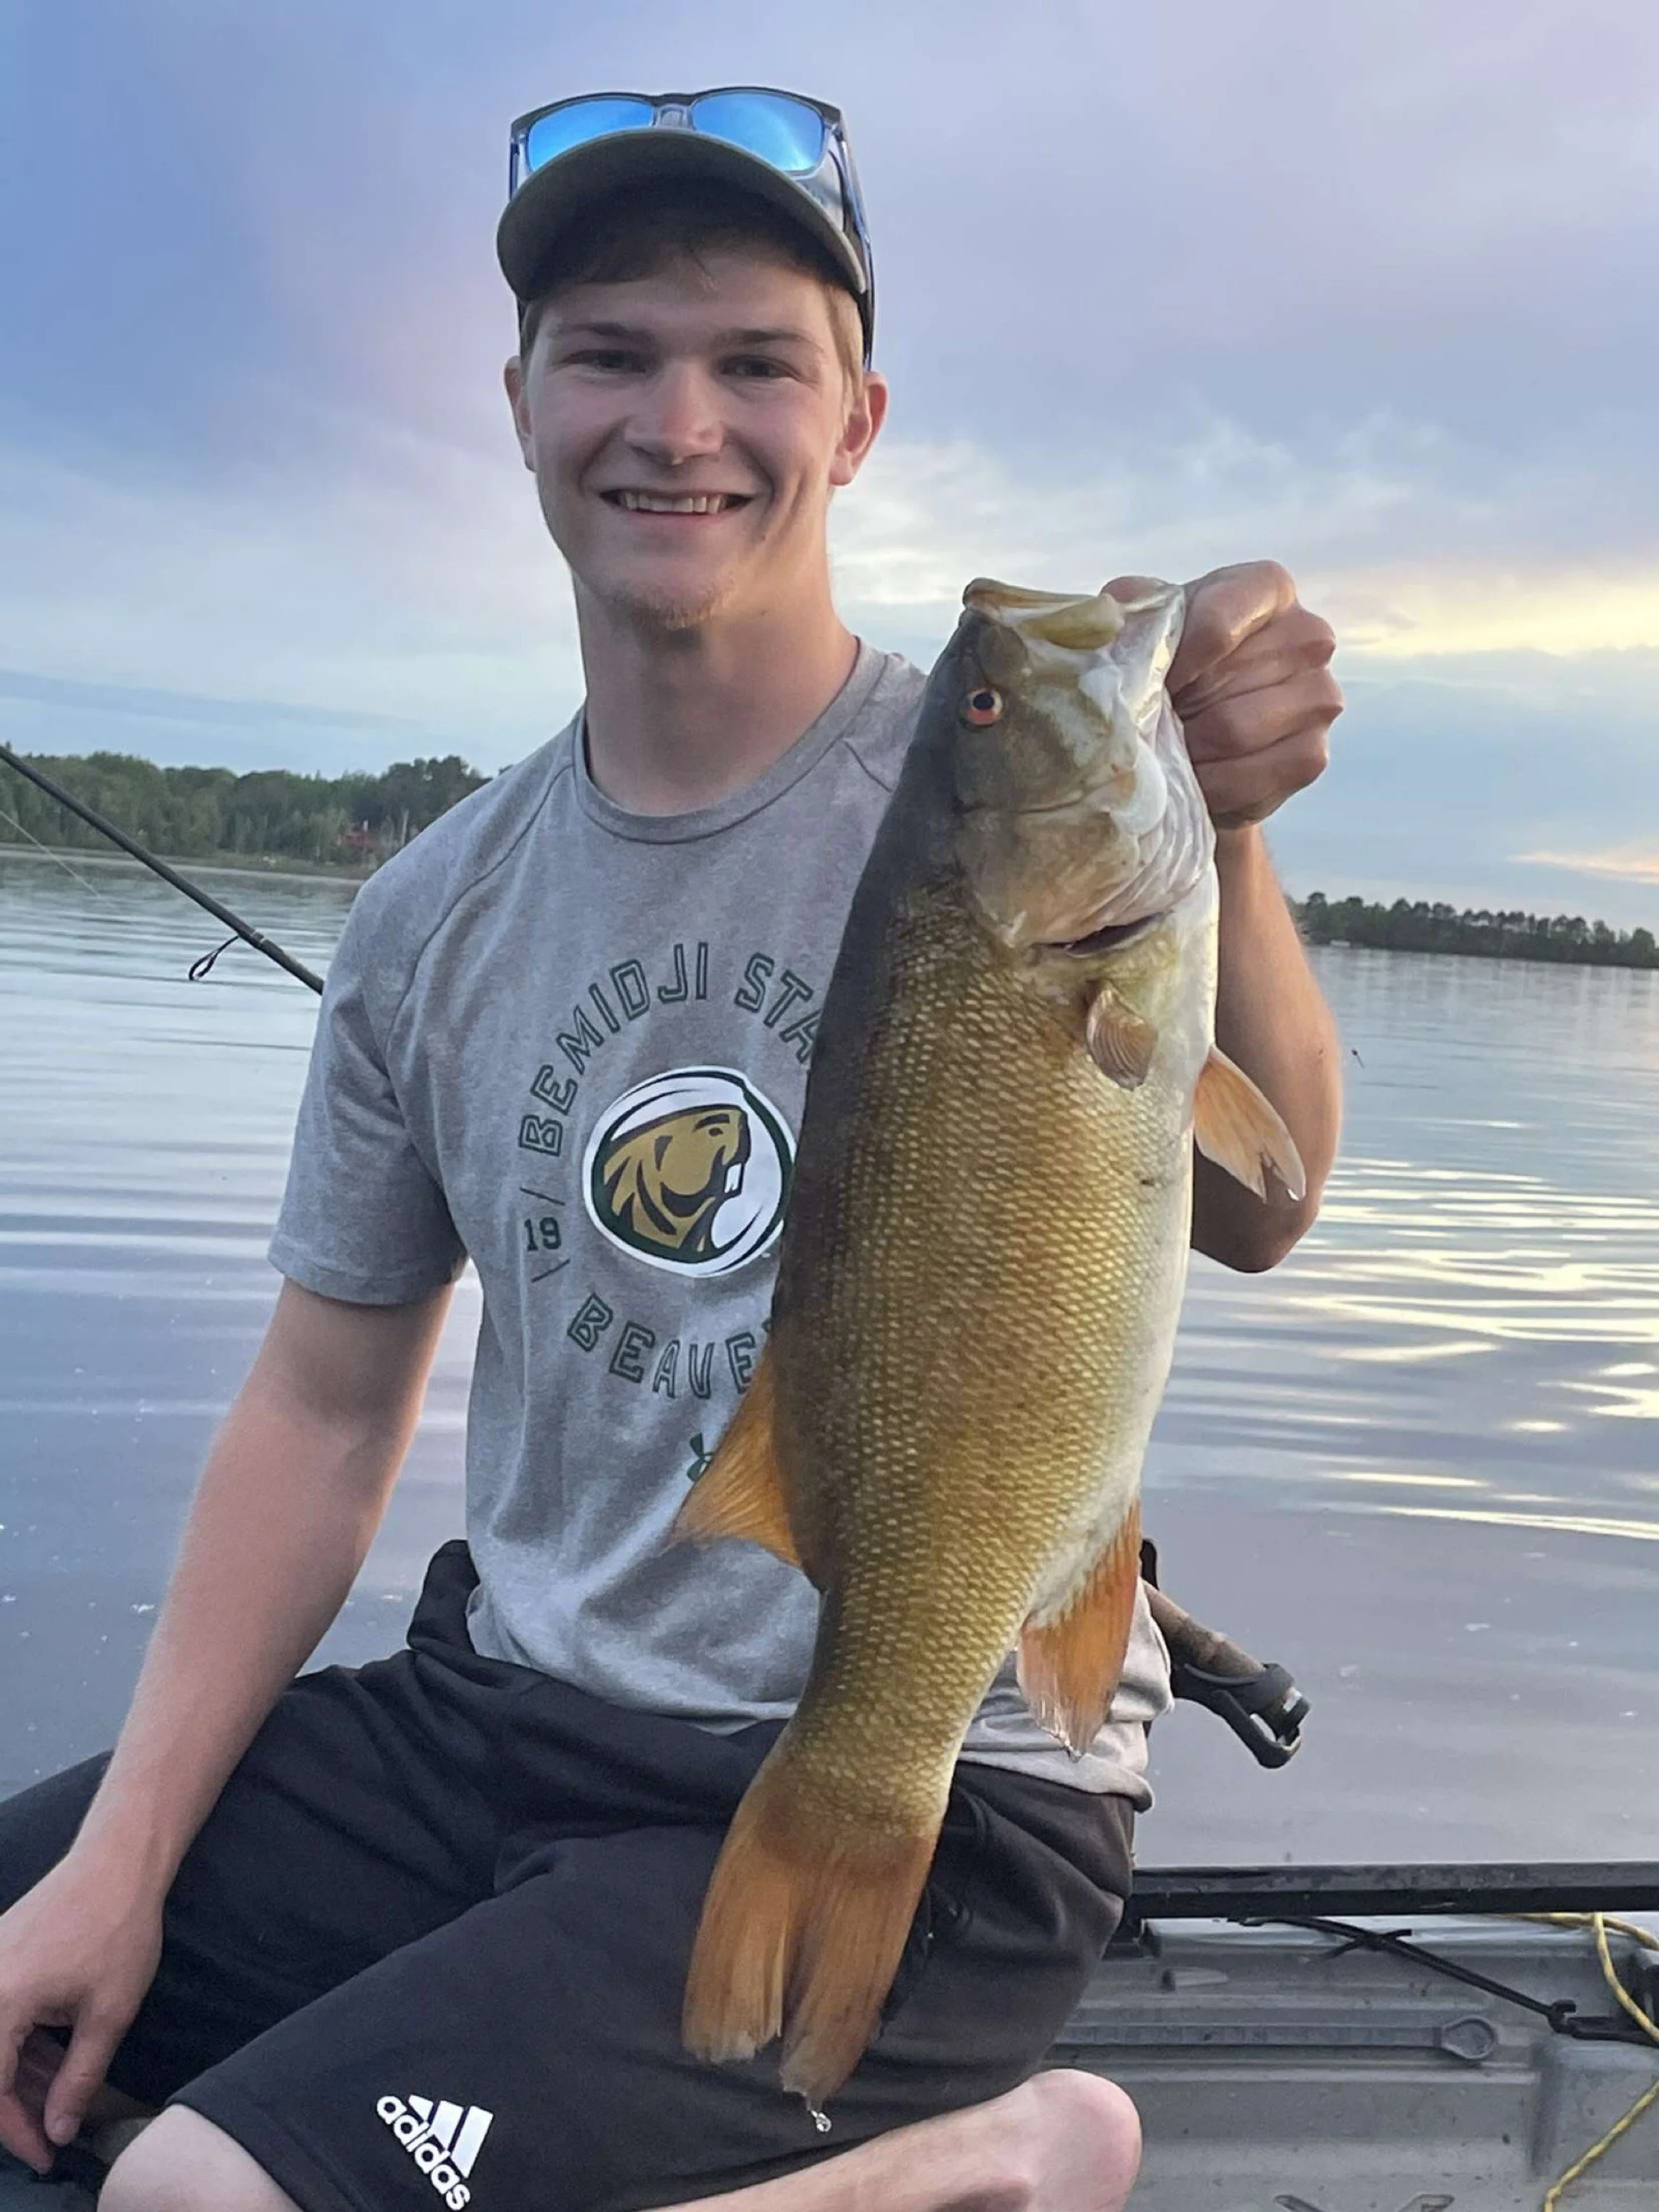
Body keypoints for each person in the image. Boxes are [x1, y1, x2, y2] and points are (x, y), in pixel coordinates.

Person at [0, 86, 1343, 2212]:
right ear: (520, 399)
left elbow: (1267, 1201)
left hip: (954, 1777)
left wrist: (1232, 828)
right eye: (611, 353)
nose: (676, 422)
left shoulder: (990, 795)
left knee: (196, 2199)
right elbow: (324, 1412)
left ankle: (991, 2160)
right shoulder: (433, 912)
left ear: (862, 415)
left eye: (754, 362)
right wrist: (121, 1861)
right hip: (508, 1719)